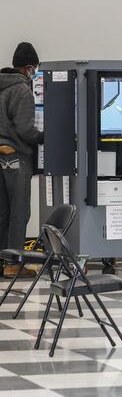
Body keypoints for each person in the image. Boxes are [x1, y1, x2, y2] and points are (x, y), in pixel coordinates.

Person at [0, 42, 43, 278]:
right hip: (17, 157)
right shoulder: (22, 89)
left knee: (3, 212)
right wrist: (46, 137)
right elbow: (26, 130)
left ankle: (2, 260)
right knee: (19, 212)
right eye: (35, 68)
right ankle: (14, 264)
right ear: (28, 67)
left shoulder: (2, 86)